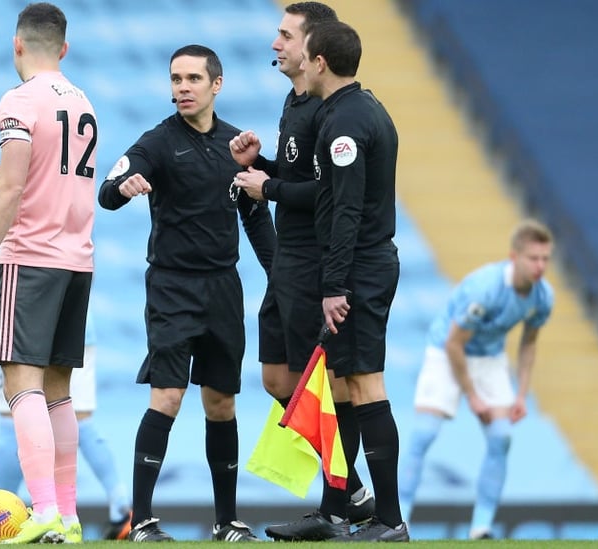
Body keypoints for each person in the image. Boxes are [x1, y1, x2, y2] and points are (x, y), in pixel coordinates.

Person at [98, 44, 276, 543]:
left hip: (224, 288)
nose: (183, 87)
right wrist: (124, 188)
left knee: (221, 404)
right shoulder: (156, 143)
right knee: (169, 396)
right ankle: (143, 521)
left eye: (193, 78)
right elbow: (107, 192)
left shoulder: (236, 145)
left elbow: (256, 215)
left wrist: (283, 278)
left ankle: (226, 522)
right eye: (176, 78)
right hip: (172, 287)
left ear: (216, 84)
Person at [228, 3, 375, 540]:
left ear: (315, 48)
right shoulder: (297, 102)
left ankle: (339, 500)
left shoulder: (327, 110)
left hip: (313, 263)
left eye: (285, 35)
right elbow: (301, 180)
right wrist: (262, 166)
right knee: (276, 380)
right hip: (288, 263)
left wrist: (267, 188)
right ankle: (352, 487)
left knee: (328, 386)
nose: (275, 44)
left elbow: (327, 194)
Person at [0, 2, 97, 544]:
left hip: (32, 256)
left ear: (16, 44)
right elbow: (53, 171)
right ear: (63, 49)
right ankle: (66, 515)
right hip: (76, 259)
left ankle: (41, 510)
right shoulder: (83, 101)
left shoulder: (19, 100)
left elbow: (15, 187)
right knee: (60, 391)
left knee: (21, 385)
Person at [299, 20, 409, 542]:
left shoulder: (344, 124)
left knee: (366, 384)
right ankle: (340, 509)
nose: (296, 58)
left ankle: (389, 520)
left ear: (319, 61)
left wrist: (334, 285)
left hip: (359, 269)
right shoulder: (364, 109)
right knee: (346, 386)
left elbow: (346, 209)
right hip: (366, 263)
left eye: (303, 52)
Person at [399, 220, 554, 540]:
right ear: (515, 257)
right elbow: (455, 342)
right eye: (534, 258)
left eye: (545, 259)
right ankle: (399, 521)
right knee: (424, 434)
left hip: (489, 358)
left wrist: (521, 394)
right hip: (447, 352)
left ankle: (481, 528)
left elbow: (529, 343)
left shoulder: (543, 296)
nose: (540, 266)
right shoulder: (484, 288)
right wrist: (473, 396)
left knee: (501, 438)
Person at [0, 313, 133, 541]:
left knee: (16, 410)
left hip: (26, 318)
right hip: (75, 318)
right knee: (73, 411)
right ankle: (109, 512)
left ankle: (2, 518)